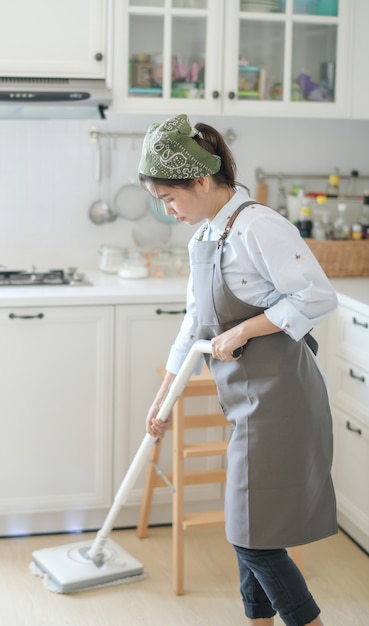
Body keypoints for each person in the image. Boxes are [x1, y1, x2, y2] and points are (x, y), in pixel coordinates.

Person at [138, 113, 338, 626]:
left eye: (169, 199)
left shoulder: (260, 226)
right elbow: (192, 326)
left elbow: (316, 296)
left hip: (281, 401)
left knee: (250, 538)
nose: (168, 211)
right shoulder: (205, 235)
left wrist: (244, 331)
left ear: (201, 181)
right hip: (245, 401)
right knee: (251, 530)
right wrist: (163, 397)